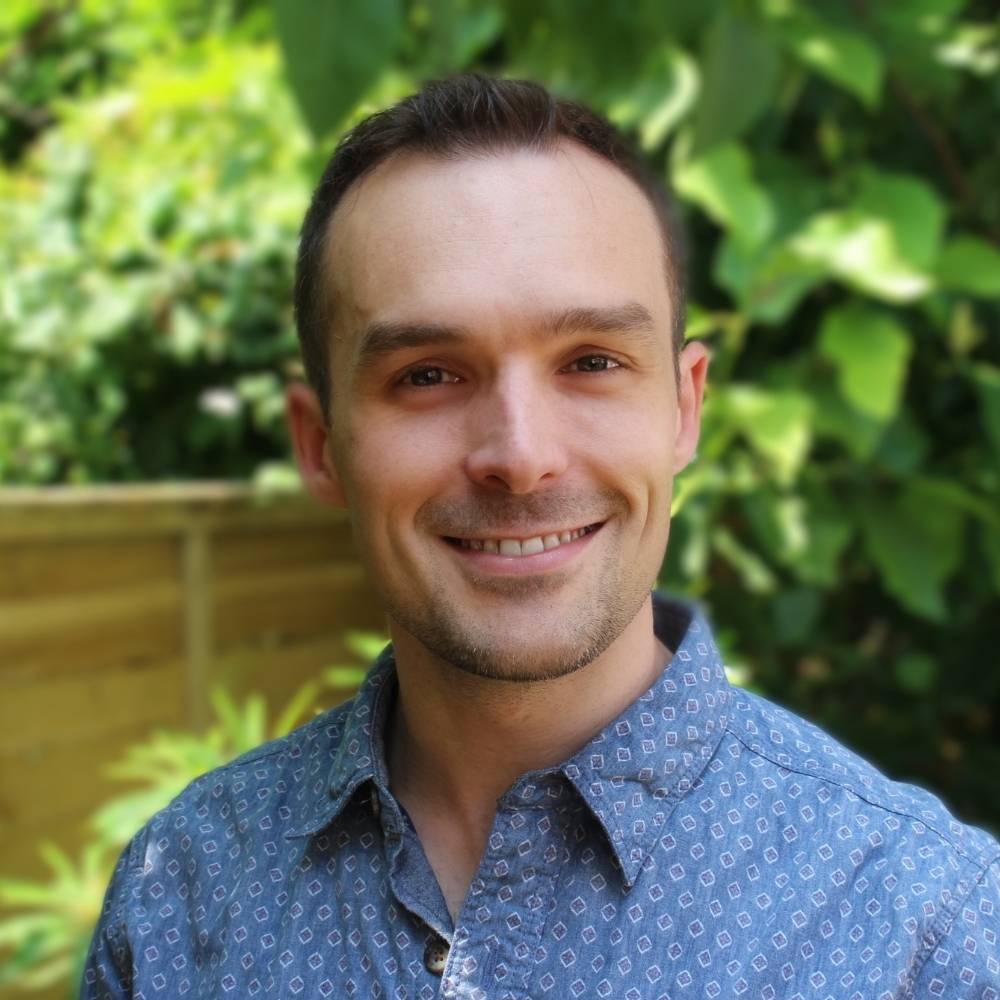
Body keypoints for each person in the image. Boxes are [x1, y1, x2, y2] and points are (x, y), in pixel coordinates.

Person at [82, 74, 999, 1000]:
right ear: (322, 446)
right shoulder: (184, 899)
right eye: (429, 374)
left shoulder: (926, 932)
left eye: (592, 362)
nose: (520, 457)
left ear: (684, 411)